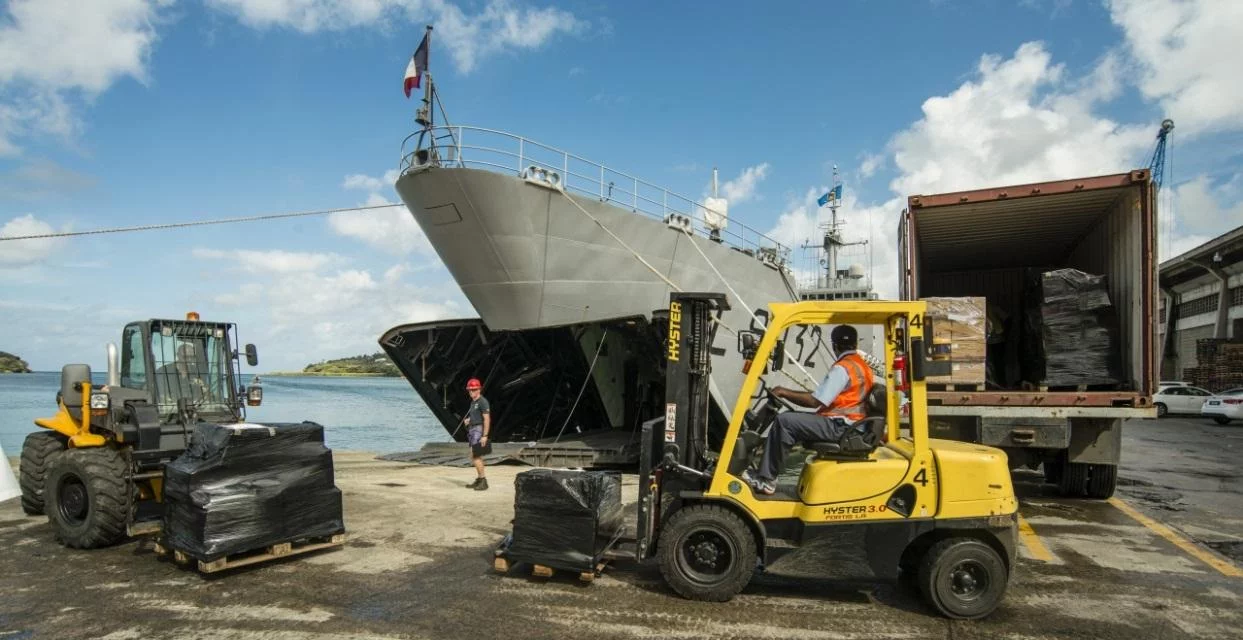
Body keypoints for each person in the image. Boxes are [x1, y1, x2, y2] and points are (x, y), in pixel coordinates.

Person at [746, 324, 874, 496]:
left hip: (841, 427)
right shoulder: (862, 366)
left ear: (834, 345)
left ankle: (766, 480)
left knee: (785, 421)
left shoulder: (843, 368)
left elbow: (815, 401)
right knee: (791, 420)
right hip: (853, 426)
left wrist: (784, 392)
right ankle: (766, 474)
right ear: (855, 344)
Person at [463, 378, 491, 490]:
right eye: (470, 390)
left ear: (479, 389)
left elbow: (487, 419)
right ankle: (480, 479)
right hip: (472, 429)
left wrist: (484, 436)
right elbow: (477, 416)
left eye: (474, 390)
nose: (471, 392)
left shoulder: (483, 402)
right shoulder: (473, 402)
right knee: (474, 455)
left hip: (478, 430)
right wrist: (469, 420)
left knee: (476, 455)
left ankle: (483, 481)